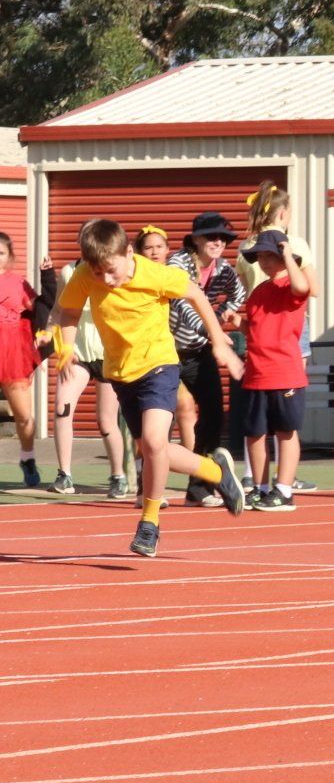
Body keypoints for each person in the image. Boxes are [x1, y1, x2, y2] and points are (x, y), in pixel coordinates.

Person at [50, 218, 245, 556]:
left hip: (159, 365)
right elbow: (67, 312)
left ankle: (149, 523)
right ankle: (216, 470)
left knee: (155, 442)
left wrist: (218, 342)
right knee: (153, 450)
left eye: (112, 270)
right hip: (120, 374)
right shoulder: (86, 275)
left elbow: (195, 293)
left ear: (128, 252)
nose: (106, 280)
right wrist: (65, 347)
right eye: (98, 274)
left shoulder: (155, 273)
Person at [236, 181, 317, 494]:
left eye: (268, 256)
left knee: (285, 431)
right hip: (257, 372)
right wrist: (238, 324)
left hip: (284, 372)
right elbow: (256, 329)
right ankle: (260, 485)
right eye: (260, 257)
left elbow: (303, 288)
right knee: (254, 433)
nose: (264, 262)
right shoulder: (259, 291)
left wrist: (287, 254)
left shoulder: (289, 287)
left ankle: (283, 488)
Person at [169, 212, 246, 506]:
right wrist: (212, 332)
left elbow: (239, 293)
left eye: (223, 238)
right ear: (196, 239)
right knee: (161, 420)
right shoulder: (178, 264)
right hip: (166, 350)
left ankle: (198, 487)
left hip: (198, 351)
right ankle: (144, 487)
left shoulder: (223, 268)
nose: (218, 242)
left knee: (214, 415)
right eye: (211, 237)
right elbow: (184, 304)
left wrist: (224, 310)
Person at [48, 256, 132, 498]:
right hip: (78, 354)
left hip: (108, 355)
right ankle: (64, 475)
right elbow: (58, 310)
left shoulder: (112, 273)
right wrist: (48, 334)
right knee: (62, 408)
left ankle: (118, 476)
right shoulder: (68, 272)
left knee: (106, 421)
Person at [0, 233, 55, 488]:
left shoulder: (16, 283)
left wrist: (47, 276)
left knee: (23, 416)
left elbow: (43, 306)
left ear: (9, 256)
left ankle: (27, 457)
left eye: (0, 253)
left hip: (12, 352)